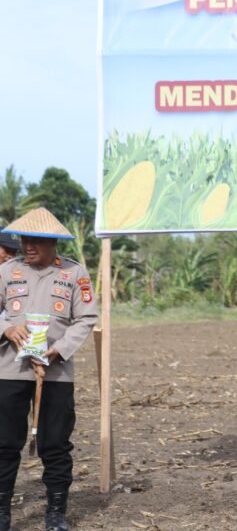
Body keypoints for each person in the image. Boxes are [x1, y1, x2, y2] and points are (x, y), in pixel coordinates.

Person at [0, 208, 98, 531]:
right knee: (4, 442)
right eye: (24, 240)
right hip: (10, 371)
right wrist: (6, 329)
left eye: (36, 241)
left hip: (55, 373)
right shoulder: (7, 271)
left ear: (54, 242)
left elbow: (86, 318)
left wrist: (59, 351)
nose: (28, 246)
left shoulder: (74, 274)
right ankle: (2, 512)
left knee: (55, 444)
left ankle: (55, 513)